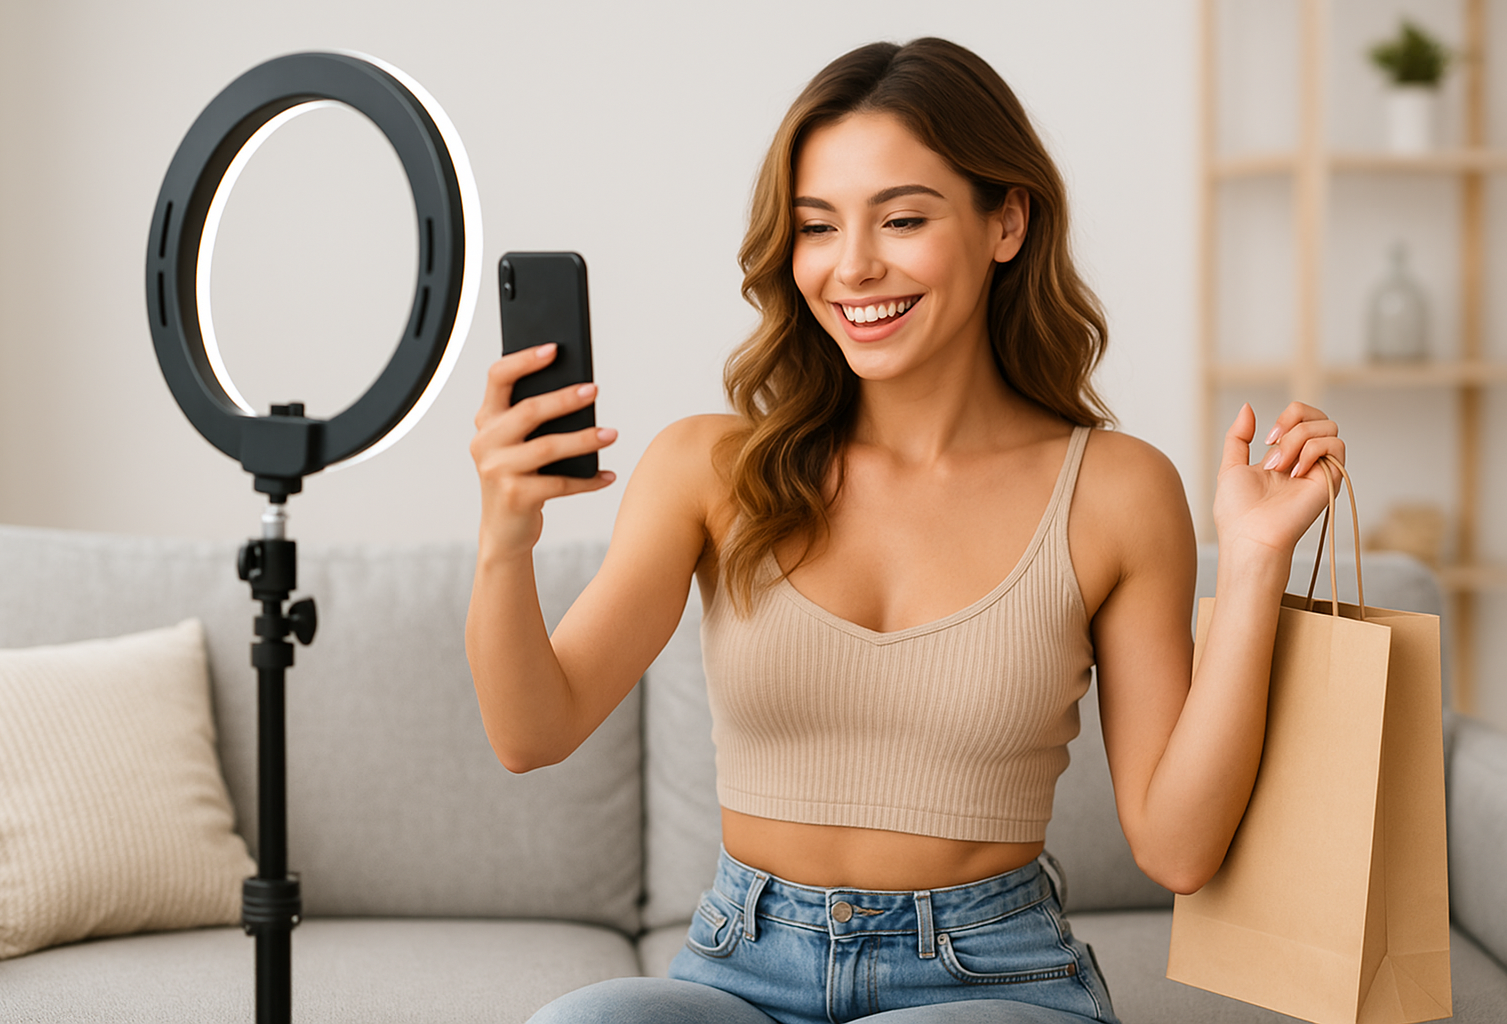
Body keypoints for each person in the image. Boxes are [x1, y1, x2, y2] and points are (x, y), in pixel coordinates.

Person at [466, 37, 1343, 1024]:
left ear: (1006, 220)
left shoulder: (1116, 490)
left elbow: (1177, 847)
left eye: (903, 218)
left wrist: (1259, 556)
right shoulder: (710, 469)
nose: (854, 266)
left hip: (990, 976)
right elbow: (530, 733)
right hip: (741, 965)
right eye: (817, 226)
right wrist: (506, 535)